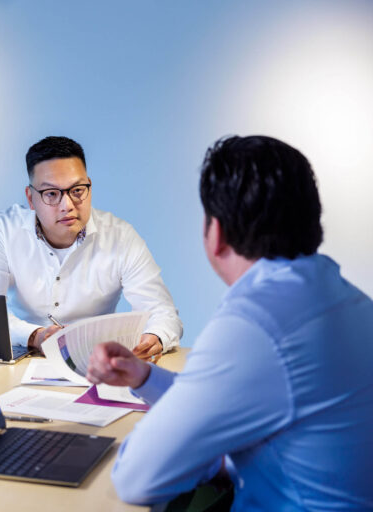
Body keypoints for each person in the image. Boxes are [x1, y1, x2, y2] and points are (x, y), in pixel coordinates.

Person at [88, 135, 373, 510]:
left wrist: (201, 453)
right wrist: (145, 377)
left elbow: (137, 479)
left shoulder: (255, 325)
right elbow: (243, 396)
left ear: (216, 233)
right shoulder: (346, 299)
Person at [0, 136, 182, 361]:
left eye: (78, 190)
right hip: (26, 356)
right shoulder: (4, 229)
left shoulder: (121, 237)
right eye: (51, 194)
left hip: (97, 364)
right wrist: (35, 335)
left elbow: (163, 313)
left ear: (89, 186)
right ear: (31, 198)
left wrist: (153, 337)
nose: (67, 205)